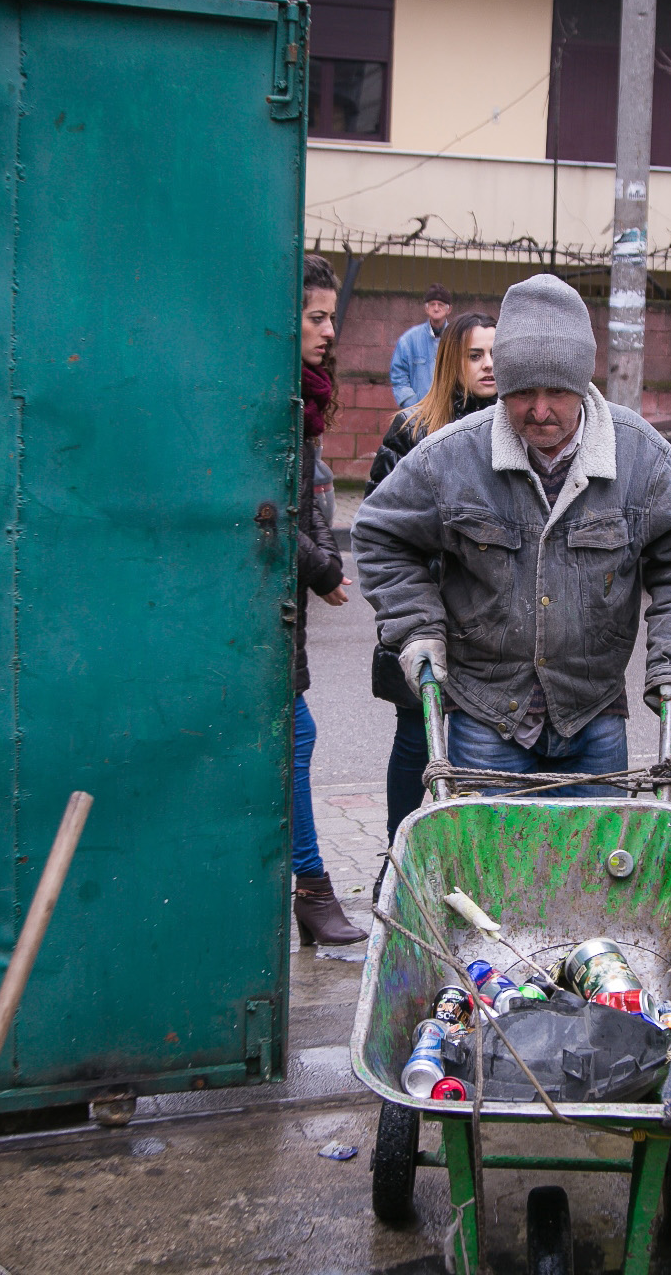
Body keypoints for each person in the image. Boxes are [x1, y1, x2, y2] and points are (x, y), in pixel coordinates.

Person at [354, 275, 671, 795]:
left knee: (598, 850)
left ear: (584, 384)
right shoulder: (452, 458)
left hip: (592, 710)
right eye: (523, 392)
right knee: (491, 851)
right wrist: (416, 625)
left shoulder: (643, 459)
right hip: (487, 714)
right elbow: (379, 534)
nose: (541, 410)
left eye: (558, 393)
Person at [366, 312, 499, 839]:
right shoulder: (413, 429)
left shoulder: (513, 430)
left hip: (487, 626)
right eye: (475, 355)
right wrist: (419, 608)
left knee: (476, 753)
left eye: (495, 353)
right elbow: (383, 528)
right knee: (415, 743)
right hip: (425, 617)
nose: (488, 365)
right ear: (450, 362)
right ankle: (396, 854)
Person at [291, 254, 366, 947]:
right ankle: (311, 889)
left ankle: (309, 891)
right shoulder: (275, 402)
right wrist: (320, 568)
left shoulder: (304, 400)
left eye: (331, 317)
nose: (329, 331)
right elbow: (267, 512)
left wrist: (325, 561)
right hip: (268, 615)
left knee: (294, 736)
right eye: (316, 317)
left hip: (287, 614)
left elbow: (309, 504)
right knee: (295, 736)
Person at [388, 282, 454, 410]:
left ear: (449, 309)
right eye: (432, 304)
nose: (436, 308)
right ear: (426, 308)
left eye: (440, 305)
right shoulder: (409, 340)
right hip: (417, 413)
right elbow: (399, 376)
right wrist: (413, 406)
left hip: (450, 412)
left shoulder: (458, 339)